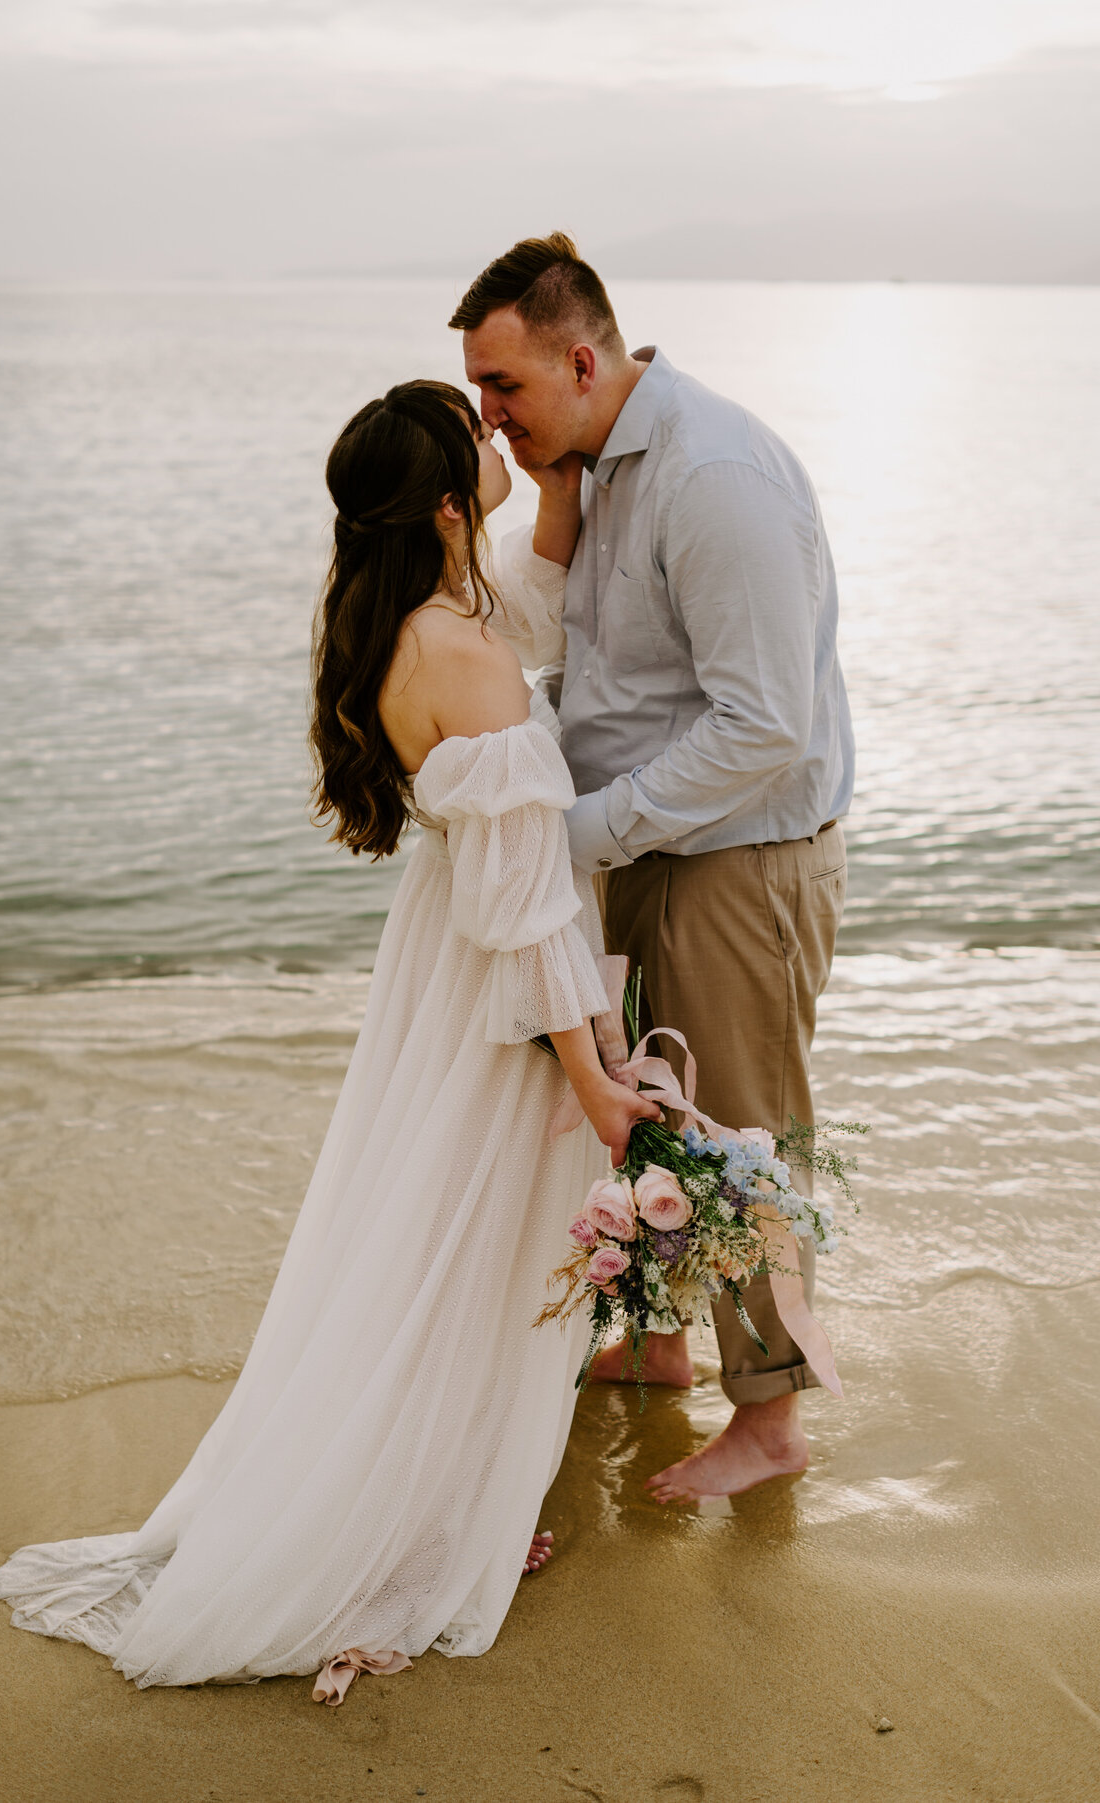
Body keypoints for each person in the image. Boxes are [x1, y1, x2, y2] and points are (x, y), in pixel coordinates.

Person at [0, 380, 658, 1703]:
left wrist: (547, 476)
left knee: (427, 1240)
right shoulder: (463, 652)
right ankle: (436, 1528)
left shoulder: (413, 621)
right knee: (469, 1250)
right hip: (505, 980)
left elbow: (527, 590)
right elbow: (526, 903)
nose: (493, 431)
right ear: (453, 505)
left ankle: (448, 1498)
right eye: (478, 439)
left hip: (442, 963)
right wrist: (594, 1071)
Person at [450, 235, 855, 1506]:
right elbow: (615, 674)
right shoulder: (597, 462)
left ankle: (774, 1421)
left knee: (740, 1130)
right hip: (651, 845)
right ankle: (667, 1348)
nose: (490, 417)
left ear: (581, 360)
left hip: (736, 860)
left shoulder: (711, 474)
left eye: (503, 389)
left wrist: (567, 837)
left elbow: (765, 726)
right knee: (655, 1111)